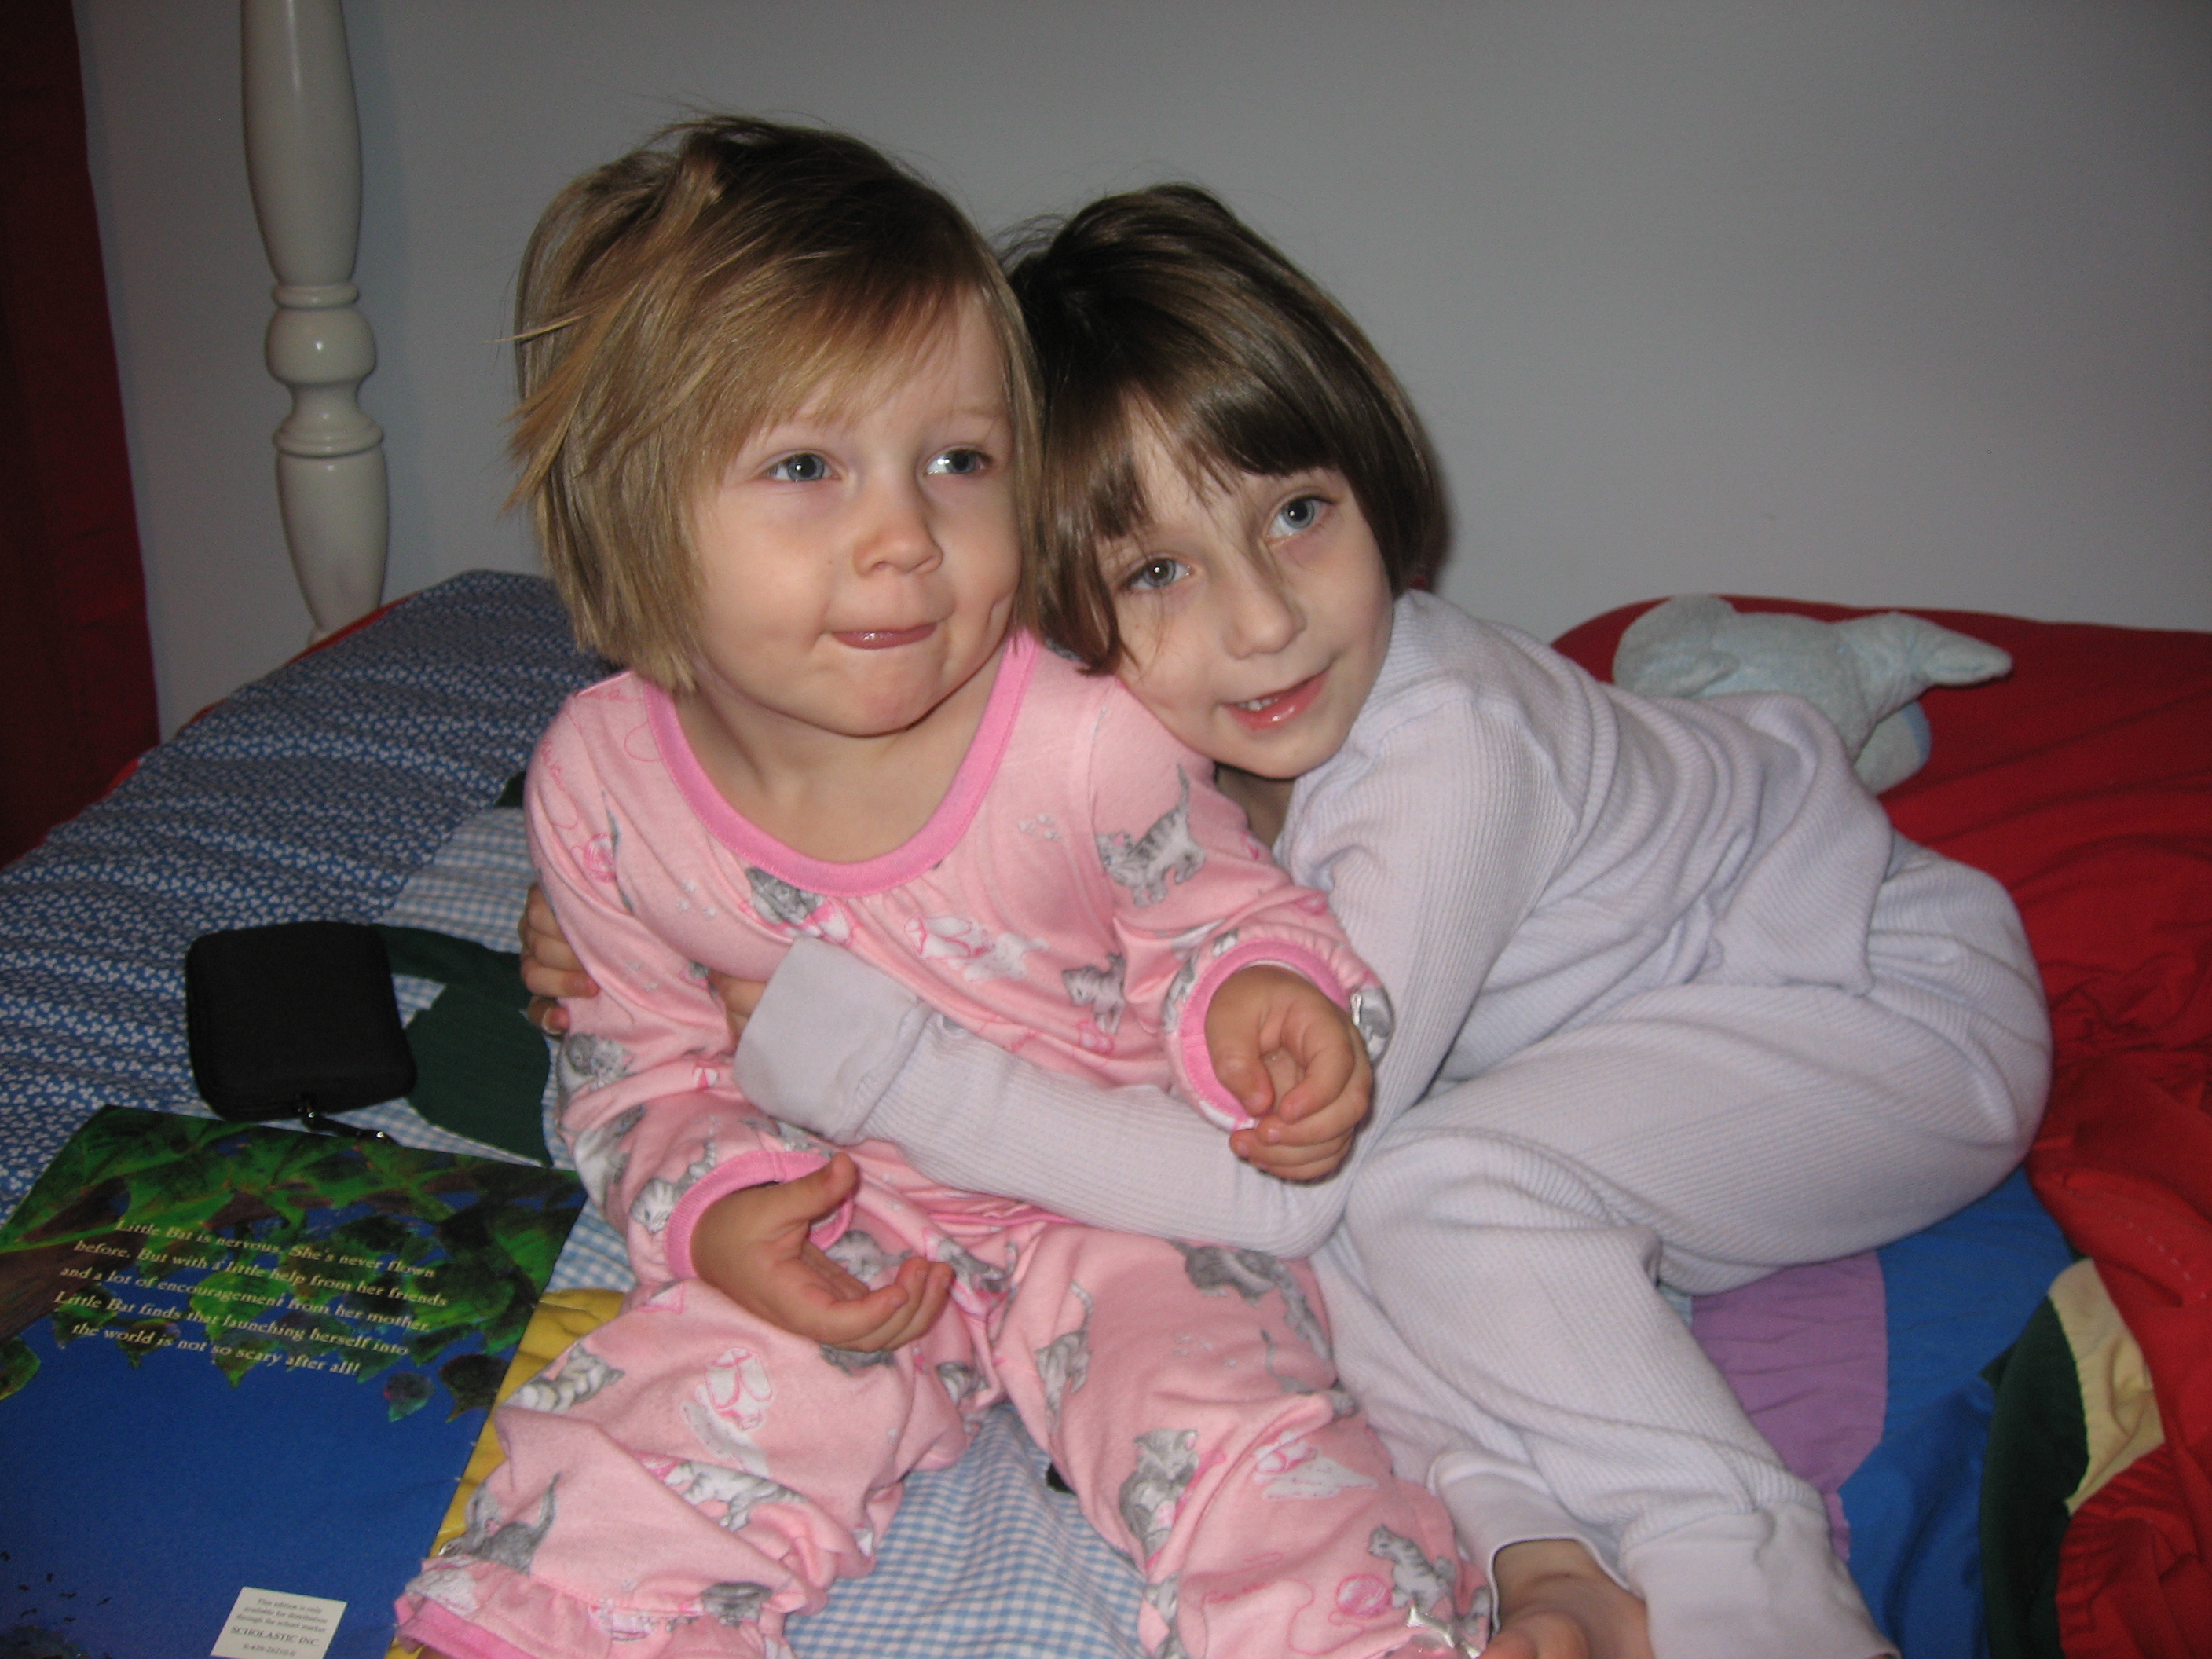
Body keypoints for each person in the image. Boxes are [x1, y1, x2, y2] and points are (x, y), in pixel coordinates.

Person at [524, 181, 2050, 1659]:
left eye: (1300, 512)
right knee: (1364, 1224)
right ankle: (1552, 1561)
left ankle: (1751, 1585)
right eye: (1156, 571)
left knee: (1414, 1183)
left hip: (1872, 1009)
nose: (1261, 623)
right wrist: (627, 897)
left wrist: (885, 1072)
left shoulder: (1452, 756)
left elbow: (1261, 1199)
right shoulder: (1132, 722)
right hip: (1606, 1053)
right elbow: (938, 847)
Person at [397, 123, 1476, 1659]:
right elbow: (637, 1067)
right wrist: (719, 1212)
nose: (906, 537)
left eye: (959, 462)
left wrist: (1258, 997)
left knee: (1231, 1430)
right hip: (844, 1205)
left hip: (1113, 1201)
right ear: (625, 507)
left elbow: (1223, 912)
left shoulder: (1084, 738)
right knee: (657, 1432)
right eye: (805, 468)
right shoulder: (602, 785)